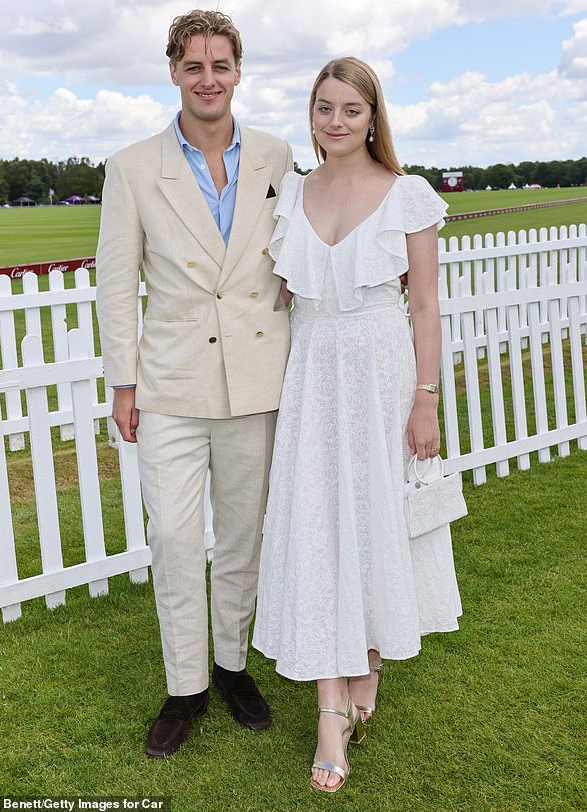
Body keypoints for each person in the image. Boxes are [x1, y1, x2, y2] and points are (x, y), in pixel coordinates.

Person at [252, 57, 462, 792]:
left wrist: (426, 398)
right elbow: (273, 296)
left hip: (382, 376)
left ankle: (366, 660)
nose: (334, 122)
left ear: (374, 117)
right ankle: (329, 710)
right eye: (322, 109)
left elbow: (427, 305)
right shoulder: (294, 194)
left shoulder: (407, 196)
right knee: (317, 527)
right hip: (313, 376)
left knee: (372, 522)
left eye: (349, 109)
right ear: (309, 116)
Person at [96, 9, 293, 758]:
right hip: (169, 383)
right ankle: (186, 688)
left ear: (238, 71)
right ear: (174, 72)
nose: (207, 78)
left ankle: (233, 666)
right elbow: (116, 287)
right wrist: (124, 384)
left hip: (256, 380)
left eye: (220, 64)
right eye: (193, 65)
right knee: (176, 536)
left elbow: (303, 251)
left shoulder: (278, 156)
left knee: (243, 536)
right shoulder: (132, 167)